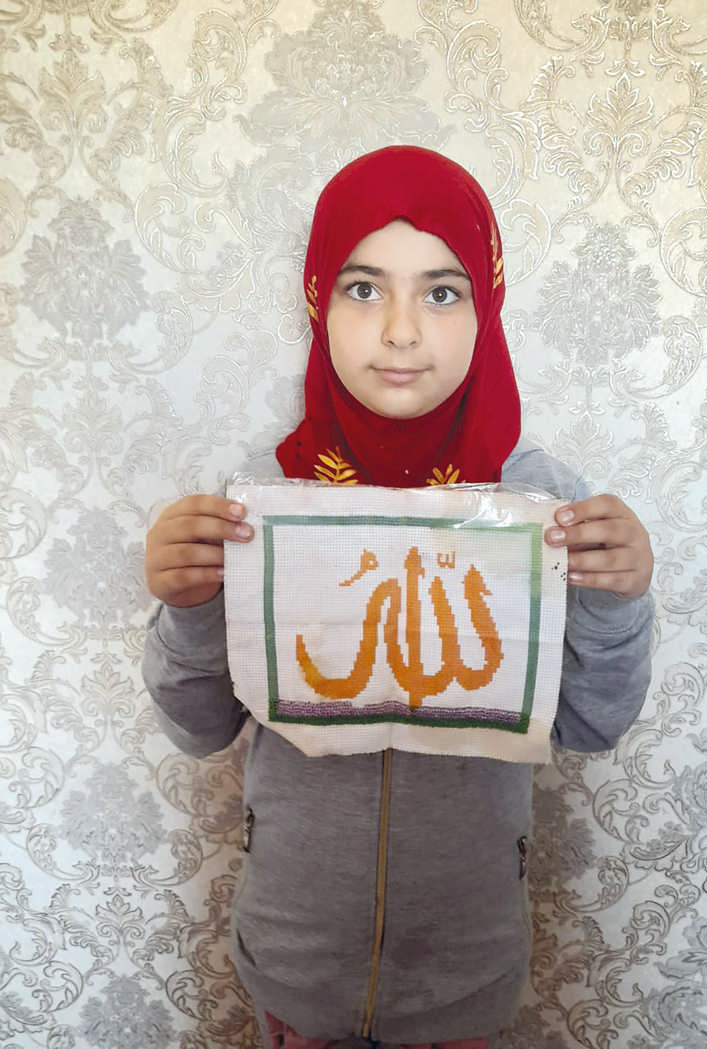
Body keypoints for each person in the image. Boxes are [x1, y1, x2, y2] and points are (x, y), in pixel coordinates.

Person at [143, 146, 654, 1049]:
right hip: (294, 964)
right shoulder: (263, 498)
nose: (402, 332)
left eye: (442, 292)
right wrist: (186, 607)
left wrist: (618, 602)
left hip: (466, 972)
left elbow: (590, 725)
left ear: (487, 303)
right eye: (363, 288)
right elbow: (199, 726)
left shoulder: (543, 503)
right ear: (317, 301)